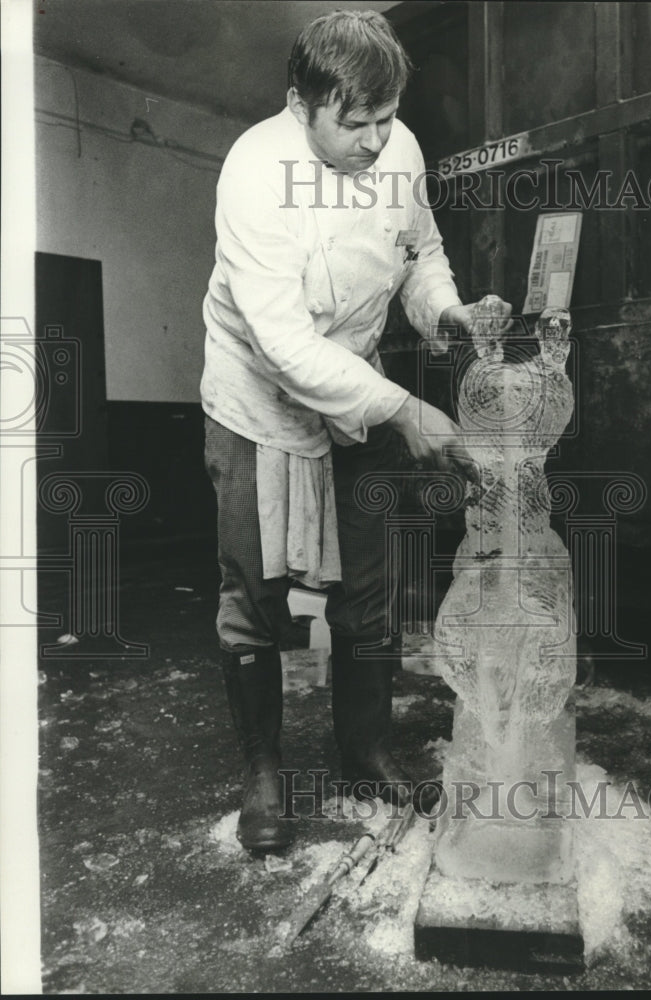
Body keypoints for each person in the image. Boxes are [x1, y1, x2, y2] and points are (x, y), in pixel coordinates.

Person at [201, 9, 511, 852]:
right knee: (255, 599)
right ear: (302, 103)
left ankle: (363, 747)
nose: (377, 140)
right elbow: (285, 345)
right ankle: (263, 770)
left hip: (360, 383)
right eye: (356, 122)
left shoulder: (398, 147)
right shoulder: (255, 174)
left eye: (386, 118)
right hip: (261, 400)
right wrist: (405, 409)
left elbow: (420, 251)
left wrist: (447, 313)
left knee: (368, 590)